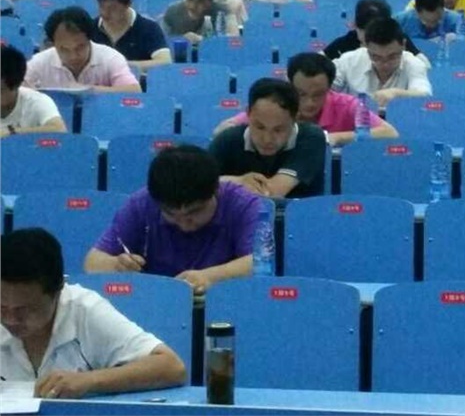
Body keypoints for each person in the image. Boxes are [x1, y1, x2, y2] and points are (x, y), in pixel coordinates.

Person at [2, 227, 187, 397]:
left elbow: (171, 367)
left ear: (58, 289)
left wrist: (88, 381)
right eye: (1, 307)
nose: (10, 319)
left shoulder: (86, 310)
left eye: (25, 310)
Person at [84, 145, 261, 295]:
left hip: (224, 301)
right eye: (171, 214)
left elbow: (261, 264)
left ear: (216, 191)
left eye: (194, 212)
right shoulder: (141, 203)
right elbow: (92, 262)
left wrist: (210, 276)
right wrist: (117, 265)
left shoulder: (245, 204)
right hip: (156, 303)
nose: (184, 224)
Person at [214, 53, 398, 146]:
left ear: (330, 88)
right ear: (289, 84)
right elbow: (222, 130)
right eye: (301, 94)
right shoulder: (277, 104)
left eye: (318, 94)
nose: (310, 103)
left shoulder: (347, 104)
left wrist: (332, 138)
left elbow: (389, 133)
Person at [210, 78, 327, 198]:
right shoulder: (227, 140)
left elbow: (270, 193)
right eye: (260, 127)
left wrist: (225, 183)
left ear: (295, 118)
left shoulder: (311, 138)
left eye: (278, 130)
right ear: (248, 113)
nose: (267, 139)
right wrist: (238, 181)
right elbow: (200, 184)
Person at [25, 6, 141, 93]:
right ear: (53, 44)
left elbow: (134, 90)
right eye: (64, 50)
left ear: (89, 39)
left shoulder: (110, 58)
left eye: (80, 47)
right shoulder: (39, 62)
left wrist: (90, 90)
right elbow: (18, 89)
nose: (73, 56)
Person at [333, 17, 432, 107]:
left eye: (392, 57)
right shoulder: (349, 61)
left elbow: (424, 95)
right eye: (376, 57)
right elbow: (327, 89)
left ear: (404, 45)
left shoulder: (414, 64)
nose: (385, 64)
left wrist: (397, 93)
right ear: (365, 46)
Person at [90, 0, 171, 71]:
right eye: (101, 6)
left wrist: (122, 66)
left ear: (128, 4)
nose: (105, 13)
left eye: (112, 8)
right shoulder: (90, 28)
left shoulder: (148, 28)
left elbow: (165, 62)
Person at [322, 0, 425, 62]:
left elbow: (423, 63)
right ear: (355, 25)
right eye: (367, 35)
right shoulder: (346, 43)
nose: (372, 40)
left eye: (379, 34)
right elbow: (318, 62)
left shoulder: (398, 40)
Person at [1, 45, 66, 136]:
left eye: (1, 90)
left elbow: (59, 129)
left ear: (17, 85)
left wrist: (11, 132)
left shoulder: (36, 101)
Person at [395, 0, 465, 40]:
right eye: (427, 21)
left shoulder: (456, 20)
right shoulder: (400, 21)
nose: (432, 26)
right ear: (416, 11)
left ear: (443, 9)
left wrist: (457, 38)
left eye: (437, 20)